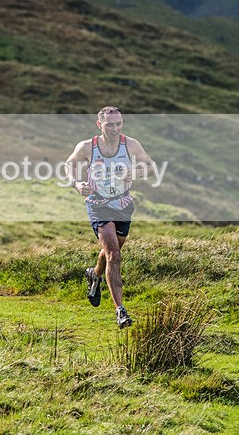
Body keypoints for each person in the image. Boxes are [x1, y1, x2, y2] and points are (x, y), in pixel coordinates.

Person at [65, 106, 155, 328]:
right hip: (98, 204)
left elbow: (150, 166)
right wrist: (77, 184)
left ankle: (94, 275)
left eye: (118, 124)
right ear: (100, 125)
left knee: (111, 252)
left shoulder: (130, 145)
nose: (115, 129)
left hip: (122, 203)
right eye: (110, 125)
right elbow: (70, 164)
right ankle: (120, 310)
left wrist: (136, 173)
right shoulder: (88, 147)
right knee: (114, 254)